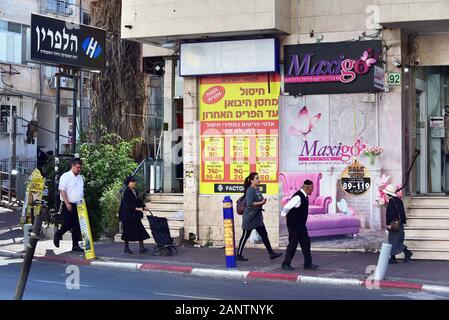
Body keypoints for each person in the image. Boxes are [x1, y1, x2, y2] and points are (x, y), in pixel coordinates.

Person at [236, 172, 282, 261]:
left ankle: (271, 253)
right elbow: (249, 204)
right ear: (252, 180)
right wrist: (261, 203)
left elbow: (258, 200)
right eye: (256, 178)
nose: (258, 179)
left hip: (257, 217)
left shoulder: (257, 189)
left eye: (258, 178)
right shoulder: (250, 190)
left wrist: (262, 201)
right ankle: (238, 255)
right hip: (250, 218)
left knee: (264, 235)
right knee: (245, 235)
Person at [280, 180, 319, 271]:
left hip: (301, 225)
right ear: (306, 188)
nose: (312, 190)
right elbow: (286, 207)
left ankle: (308, 264)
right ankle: (286, 263)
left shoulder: (305, 196)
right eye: (311, 188)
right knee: (293, 244)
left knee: (306, 243)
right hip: (294, 225)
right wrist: (284, 215)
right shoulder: (298, 197)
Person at [53, 158, 84, 252]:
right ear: (73, 166)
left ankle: (75, 245)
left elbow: (81, 191)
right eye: (78, 167)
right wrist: (67, 203)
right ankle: (58, 234)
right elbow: (62, 190)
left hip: (78, 204)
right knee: (67, 223)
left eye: (80, 168)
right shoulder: (65, 176)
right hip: (67, 204)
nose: (79, 169)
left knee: (77, 226)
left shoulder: (80, 178)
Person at [119, 176, 150, 254]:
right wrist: (137, 208)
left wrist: (143, 206)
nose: (134, 183)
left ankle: (142, 247)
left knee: (140, 229)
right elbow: (126, 205)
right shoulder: (126, 191)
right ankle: (126, 248)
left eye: (134, 181)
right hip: (127, 215)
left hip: (134, 214)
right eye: (132, 182)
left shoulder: (134, 190)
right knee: (127, 231)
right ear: (128, 183)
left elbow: (138, 200)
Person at [384, 184, 413, 264]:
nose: (385, 195)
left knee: (393, 241)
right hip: (399, 224)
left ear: (388, 193)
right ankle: (393, 258)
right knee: (395, 241)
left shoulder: (391, 202)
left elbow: (391, 214)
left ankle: (407, 252)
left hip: (394, 224)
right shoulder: (398, 200)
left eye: (386, 193)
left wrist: (388, 224)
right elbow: (400, 213)